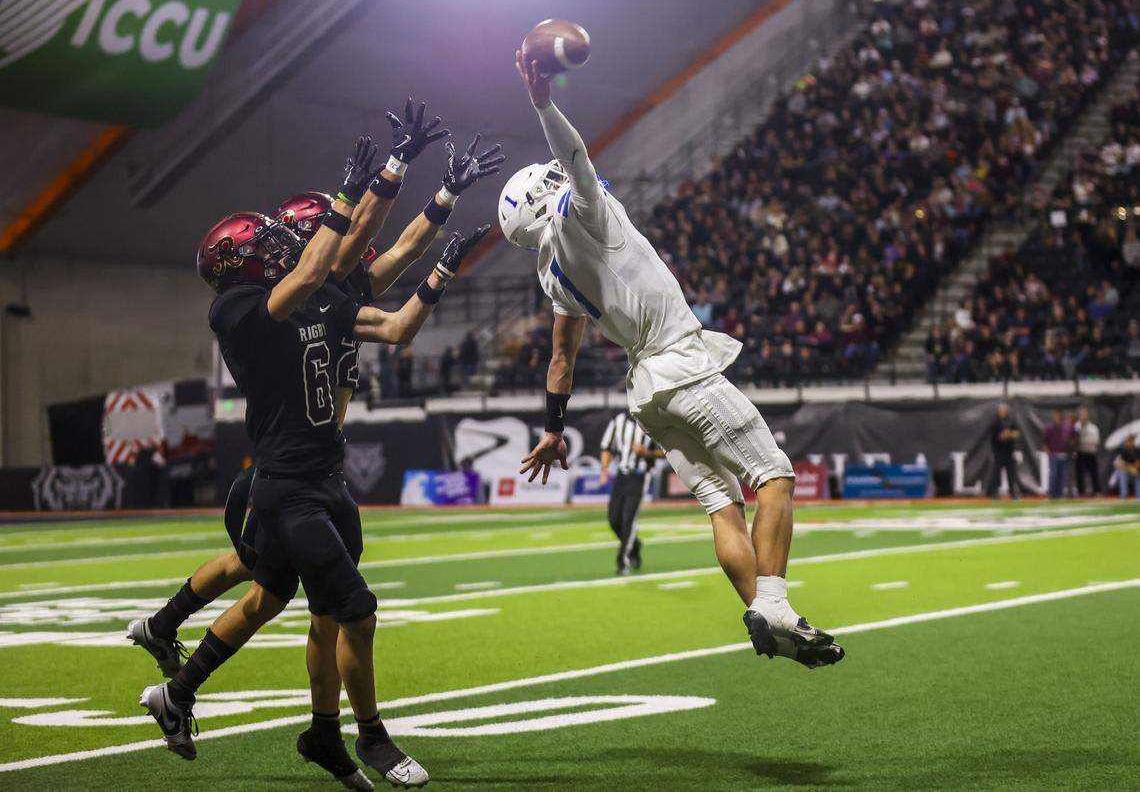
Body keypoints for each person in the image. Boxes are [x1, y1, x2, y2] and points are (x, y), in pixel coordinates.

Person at [137, 132, 491, 788]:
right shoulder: (241, 309)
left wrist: (435, 219)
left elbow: (384, 302)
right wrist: (361, 185)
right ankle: (371, 736)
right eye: (271, 244)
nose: (283, 247)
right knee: (351, 605)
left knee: (275, 598)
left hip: (324, 477)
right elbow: (327, 256)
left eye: (286, 239)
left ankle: (205, 695)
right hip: (285, 484)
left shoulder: (323, 296)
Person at [506, 51, 842, 669]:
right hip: (680, 363)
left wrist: (554, 429)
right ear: (541, 199)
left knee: (722, 504)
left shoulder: (553, 276)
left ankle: (776, 617)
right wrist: (543, 102)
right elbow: (576, 157)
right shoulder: (586, 215)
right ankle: (774, 604)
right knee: (775, 475)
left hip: (647, 392)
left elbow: (560, 360)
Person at [599, 410, 664, 575]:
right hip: (621, 475)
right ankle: (634, 545)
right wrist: (604, 469)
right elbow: (606, 447)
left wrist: (647, 452)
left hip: (640, 476)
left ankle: (623, 562)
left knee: (629, 519)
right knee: (613, 520)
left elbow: (665, 451)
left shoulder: (651, 422)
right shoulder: (618, 420)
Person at [987, 401, 1021, 499]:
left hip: (1009, 451)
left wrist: (1009, 434)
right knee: (996, 474)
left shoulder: (1011, 421)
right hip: (998, 451)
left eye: (1005, 408)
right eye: (1002, 408)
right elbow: (993, 437)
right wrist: (1001, 436)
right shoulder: (995, 422)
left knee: (1011, 473)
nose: (1004, 410)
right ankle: (994, 493)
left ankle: (1013, 493)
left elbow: (1017, 434)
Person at [1042, 409, 1074, 499]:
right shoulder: (1049, 427)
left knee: (1062, 475)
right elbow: (1045, 442)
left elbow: (1074, 437)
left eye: (1058, 416)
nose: (1056, 418)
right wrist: (1048, 452)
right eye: (1055, 416)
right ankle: (1052, 493)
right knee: (1053, 474)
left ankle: (1059, 493)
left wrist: (1070, 446)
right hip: (1054, 454)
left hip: (1064, 454)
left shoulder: (1067, 427)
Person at [1073, 407, 1101, 496]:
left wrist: (1083, 442)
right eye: (1081, 414)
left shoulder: (1093, 428)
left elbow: (1095, 441)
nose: (1083, 416)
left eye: (1085, 414)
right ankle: (1081, 492)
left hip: (1091, 453)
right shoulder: (1076, 426)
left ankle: (1097, 491)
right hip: (1080, 453)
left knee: (1094, 473)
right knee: (1080, 474)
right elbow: (1073, 440)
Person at [1114, 435, 1140, 499]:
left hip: (1135, 469)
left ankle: (1138, 495)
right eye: (1128, 441)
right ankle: (1124, 495)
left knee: (1138, 475)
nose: (1129, 443)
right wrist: (1131, 468)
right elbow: (1121, 464)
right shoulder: (1122, 450)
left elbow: (1138, 462)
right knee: (1122, 473)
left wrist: (1136, 469)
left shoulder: (1137, 450)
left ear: (1133, 442)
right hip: (1126, 469)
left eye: (1131, 441)